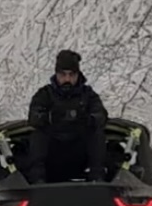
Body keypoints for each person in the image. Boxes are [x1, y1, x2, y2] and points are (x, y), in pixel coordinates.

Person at [23, 49, 110, 183]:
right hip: (52, 152)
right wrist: (51, 118)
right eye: (63, 74)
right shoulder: (45, 94)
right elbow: (34, 117)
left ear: (77, 75)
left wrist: (87, 119)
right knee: (38, 134)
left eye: (71, 75)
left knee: (97, 133)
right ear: (56, 74)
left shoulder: (88, 95)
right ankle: (37, 179)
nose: (67, 79)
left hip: (80, 151)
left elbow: (101, 115)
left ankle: (97, 177)